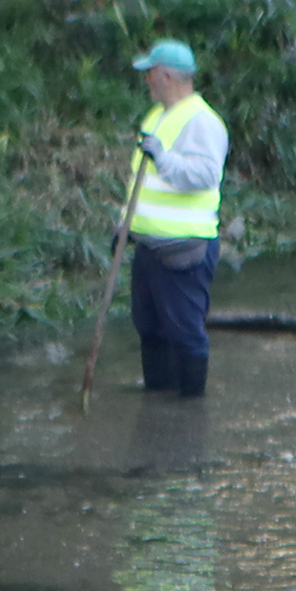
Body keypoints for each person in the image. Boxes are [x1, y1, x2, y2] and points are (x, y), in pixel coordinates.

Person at [120, 40, 227, 398]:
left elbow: (204, 175)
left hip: (184, 249)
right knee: (149, 328)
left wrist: (163, 158)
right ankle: (157, 401)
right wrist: (125, 225)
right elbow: (143, 183)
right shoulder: (157, 116)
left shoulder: (203, 122)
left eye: (149, 73)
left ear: (167, 76)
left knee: (185, 332)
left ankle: (191, 412)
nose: (146, 80)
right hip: (149, 247)